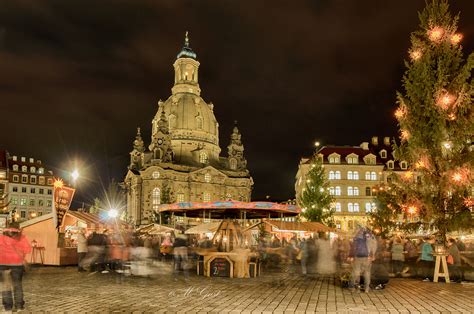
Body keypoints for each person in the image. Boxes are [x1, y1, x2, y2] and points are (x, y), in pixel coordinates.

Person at [0, 223, 32, 312]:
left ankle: (8, 309)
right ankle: (19, 307)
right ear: (17, 228)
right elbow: (28, 249)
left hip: (2, 264)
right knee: (17, 286)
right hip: (17, 264)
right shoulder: (21, 237)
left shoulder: (1, 237)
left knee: (5, 286)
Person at [348, 228, 374, 293]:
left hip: (358, 257)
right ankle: (366, 288)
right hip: (366, 258)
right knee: (367, 273)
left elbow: (353, 248)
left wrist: (350, 256)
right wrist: (372, 255)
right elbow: (372, 247)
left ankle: (356, 288)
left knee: (356, 272)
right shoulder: (369, 238)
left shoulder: (356, 238)